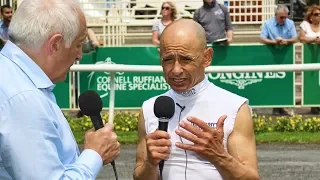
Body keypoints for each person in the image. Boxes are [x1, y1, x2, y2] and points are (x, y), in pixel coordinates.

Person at [0, 0, 120, 179]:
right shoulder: (24, 98)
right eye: (78, 44)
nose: (79, 55)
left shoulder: (15, 77)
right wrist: (94, 154)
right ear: (55, 44)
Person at [133, 19, 259, 180]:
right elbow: (139, 177)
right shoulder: (149, 108)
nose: (176, 70)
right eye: (168, 59)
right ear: (160, 57)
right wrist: (150, 163)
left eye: (186, 59)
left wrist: (219, 156)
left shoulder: (234, 107)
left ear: (207, 57)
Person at [260, 4, 297, 116]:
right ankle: (275, 106)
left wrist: (287, 41)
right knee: (273, 82)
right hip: (271, 56)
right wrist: (274, 42)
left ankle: (282, 106)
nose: (284, 19)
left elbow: (295, 38)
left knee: (285, 82)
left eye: (285, 17)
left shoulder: (290, 23)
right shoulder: (267, 24)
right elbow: (262, 39)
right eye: (281, 17)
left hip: (286, 56)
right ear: (276, 15)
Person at [299, 5, 320, 114]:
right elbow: (301, 38)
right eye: (316, 14)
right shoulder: (305, 25)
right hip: (309, 57)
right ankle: (312, 104)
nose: (319, 16)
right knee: (310, 82)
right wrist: (313, 40)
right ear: (310, 16)